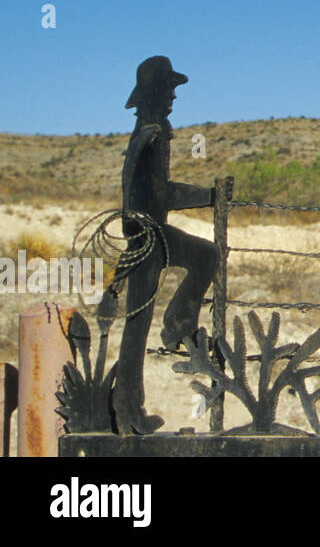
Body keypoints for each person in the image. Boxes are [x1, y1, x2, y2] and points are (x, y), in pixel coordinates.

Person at [99, 55, 218, 434]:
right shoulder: (149, 135)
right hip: (148, 237)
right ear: (153, 93)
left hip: (148, 234)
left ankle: (176, 326)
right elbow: (155, 193)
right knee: (138, 322)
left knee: (201, 259)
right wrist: (209, 195)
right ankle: (128, 408)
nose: (173, 97)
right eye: (168, 89)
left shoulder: (153, 132)